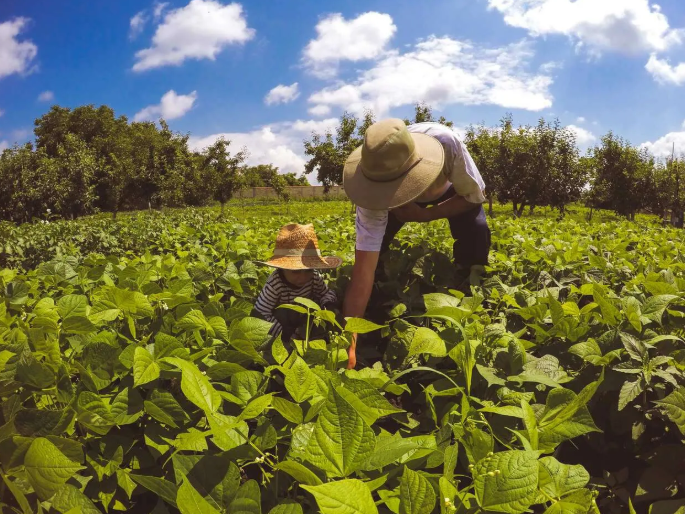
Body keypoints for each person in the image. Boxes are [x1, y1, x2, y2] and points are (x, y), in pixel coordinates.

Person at [342, 118, 491, 368]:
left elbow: (474, 197)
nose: (398, 195)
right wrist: (350, 341)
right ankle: (380, 296)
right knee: (374, 262)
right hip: (388, 200)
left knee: (476, 232)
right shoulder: (371, 192)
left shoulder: (446, 145)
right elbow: (361, 272)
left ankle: (470, 289)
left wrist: (425, 214)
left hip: (451, 192)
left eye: (399, 188)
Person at [254, 223, 341, 342]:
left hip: (306, 323)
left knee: (330, 311)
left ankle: (320, 338)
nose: (303, 277)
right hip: (282, 326)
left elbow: (326, 293)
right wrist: (286, 334)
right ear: (282, 268)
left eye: (308, 270)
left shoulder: (314, 277)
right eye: (296, 271)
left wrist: (328, 306)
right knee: (282, 313)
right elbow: (260, 313)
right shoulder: (275, 284)